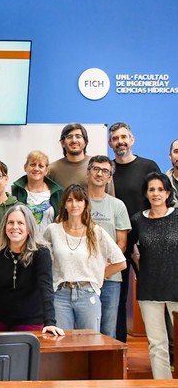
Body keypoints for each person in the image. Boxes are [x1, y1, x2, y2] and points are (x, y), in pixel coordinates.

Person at [43, 184, 126, 331]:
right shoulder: (53, 230)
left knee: (90, 340)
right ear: (64, 204)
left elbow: (120, 262)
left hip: (87, 294)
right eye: (70, 200)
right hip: (60, 294)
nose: (74, 204)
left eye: (79, 200)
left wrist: (98, 276)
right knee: (61, 340)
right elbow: (42, 258)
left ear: (85, 204)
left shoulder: (96, 231)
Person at [108, 122, 161, 342]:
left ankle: (163, 345)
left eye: (123, 137)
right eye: (115, 139)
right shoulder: (107, 170)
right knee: (117, 298)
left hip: (145, 240)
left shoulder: (148, 166)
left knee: (154, 295)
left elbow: (158, 201)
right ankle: (119, 346)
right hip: (116, 242)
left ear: (132, 139)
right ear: (110, 143)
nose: (120, 142)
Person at [0, 205, 64, 336]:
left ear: (29, 228)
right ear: (4, 227)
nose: (15, 227)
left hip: (30, 320)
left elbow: (45, 287)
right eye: (10, 222)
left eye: (20, 223)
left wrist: (50, 322)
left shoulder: (41, 253)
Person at [130, 172, 178, 379]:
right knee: (157, 344)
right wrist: (139, 270)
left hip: (176, 288)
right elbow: (128, 250)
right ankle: (163, 385)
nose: (156, 194)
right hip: (149, 289)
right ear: (146, 193)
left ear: (168, 193)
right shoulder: (138, 220)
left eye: (160, 189)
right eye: (151, 190)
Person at [86, 155, 130, 339]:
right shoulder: (77, 202)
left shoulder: (117, 205)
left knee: (108, 331)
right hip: (84, 277)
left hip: (110, 277)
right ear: (88, 172)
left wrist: (105, 268)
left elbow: (122, 243)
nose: (99, 174)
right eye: (95, 169)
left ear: (110, 177)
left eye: (105, 171)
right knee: (85, 331)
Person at [48, 123, 114, 194]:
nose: (74, 140)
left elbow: (110, 198)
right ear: (62, 143)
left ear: (85, 142)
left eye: (78, 136)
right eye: (69, 137)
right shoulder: (51, 169)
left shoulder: (99, 166)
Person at [11, 150, 63, 234]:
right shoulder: (15, 191)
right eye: (32, 165)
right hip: (24, 241)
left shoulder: (58, 193)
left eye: (41, 166)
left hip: (50, 241)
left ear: (46, 170)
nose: (36, 169)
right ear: (25, 167)